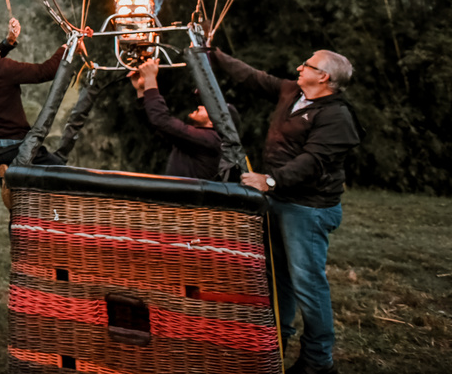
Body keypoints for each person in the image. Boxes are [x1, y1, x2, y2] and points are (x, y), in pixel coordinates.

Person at [214, 47, 361, 374]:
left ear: (324, 77)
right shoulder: (293, 92)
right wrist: (213, 55)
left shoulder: (336, 115)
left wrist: (270, 180)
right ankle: (275, 342)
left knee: (308, 284)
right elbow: (253, 77)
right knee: (279, 280)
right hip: (281, 201)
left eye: (307, 65)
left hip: (308, 209)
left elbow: (314, 161)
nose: (298, 67)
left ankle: (318, 361)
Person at [0, 16, 67, 190]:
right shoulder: (6, 69)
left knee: (16, 204)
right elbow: (45, 72)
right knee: (64, 174)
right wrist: (66, 49)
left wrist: (9, 41)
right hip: (17, 148)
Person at [129, 57, 240, 180]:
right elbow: (155, 122)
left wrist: (150, 79)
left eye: (208, 108)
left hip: (184, 199)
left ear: (214, 122)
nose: (200, 106)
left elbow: (160, 120)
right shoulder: (199, 141)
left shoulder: (211, 140)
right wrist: (142, 89)